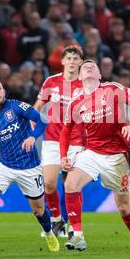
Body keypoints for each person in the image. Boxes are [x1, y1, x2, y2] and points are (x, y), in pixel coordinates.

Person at [60, 59, 130, 254]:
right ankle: (78, 236)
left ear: (100, 75)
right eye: (84, 68)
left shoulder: (113, 88)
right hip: (91, 152)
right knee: (70, 185)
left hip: (116, 156)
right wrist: (63, 156)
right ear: (80, 77)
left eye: (93, 67)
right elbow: (66, 130)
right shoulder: (75, 102)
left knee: (124, 207)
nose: (88, 68)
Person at [0, 78, 59, 253]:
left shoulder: (15, 106)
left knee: (38, 210)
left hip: (30, 167)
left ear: (4, 91)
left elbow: (42, 120)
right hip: (5, 167)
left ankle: (48, 233)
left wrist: (32, 137)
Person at [33, 46, 84, 238]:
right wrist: (28, 124)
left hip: (77, 141)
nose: (72, 61)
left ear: (80, 62)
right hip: (53, 139)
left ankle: (74, 226)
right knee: (49, 183)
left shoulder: (86, 85)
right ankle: (57, 220)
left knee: (72, 185)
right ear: (62, 61)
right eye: (68, 58)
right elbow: (38, 106)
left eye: (75, 58)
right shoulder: (51, 81)